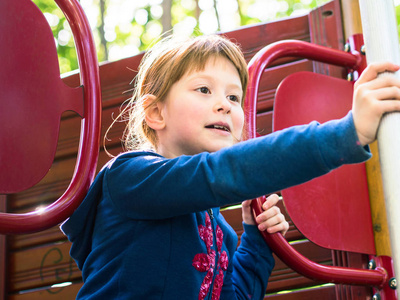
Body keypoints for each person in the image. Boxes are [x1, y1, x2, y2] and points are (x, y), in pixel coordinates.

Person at [61, 34, 400, 300]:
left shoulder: (220, 232)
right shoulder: (130, 178)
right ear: (156, 113)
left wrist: (256, 239)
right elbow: (221, 173)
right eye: (204, 89)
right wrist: (346, 133)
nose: (223, 105)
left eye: (234, 97)